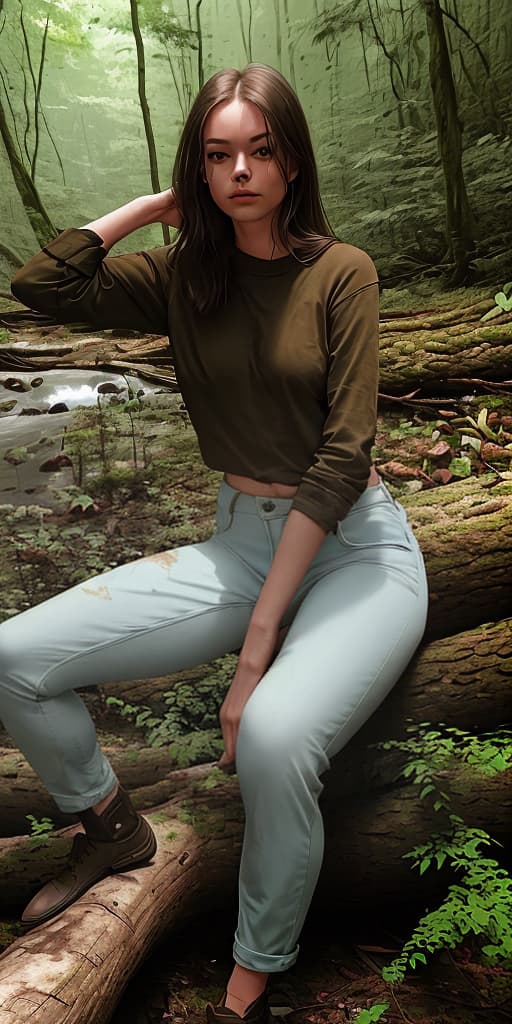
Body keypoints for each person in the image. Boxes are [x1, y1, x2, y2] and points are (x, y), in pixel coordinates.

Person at [3, 63, 428, 1024]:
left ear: (291, 158)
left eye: (261, 150)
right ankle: (111, 830)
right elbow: (43, 286)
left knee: (274, 735)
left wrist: (255, 655)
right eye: (218, 154)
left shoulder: (341, 272)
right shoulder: (179, 277)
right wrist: (153, 208)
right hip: (242, 541)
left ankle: (255, 962)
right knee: (15, 657)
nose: (242, 170)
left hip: (358, 551)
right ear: (199, 168)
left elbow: (343, 457)